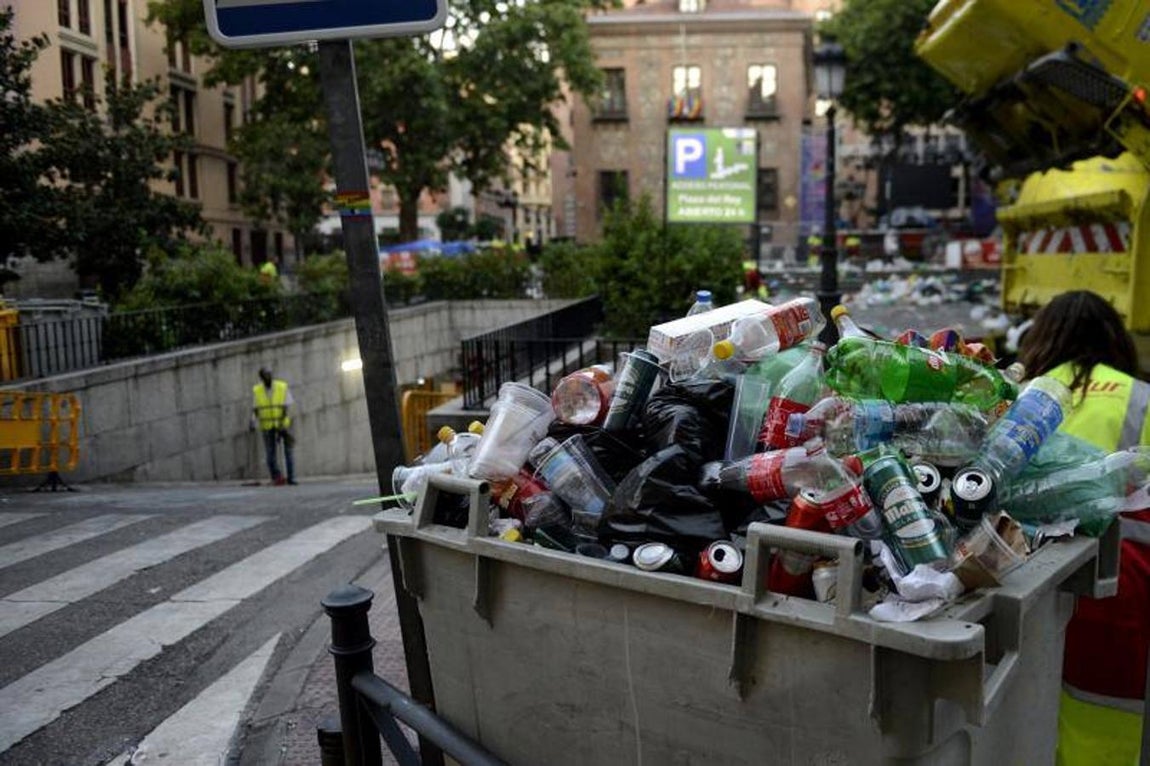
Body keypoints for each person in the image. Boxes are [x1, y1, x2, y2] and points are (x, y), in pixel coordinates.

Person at [1017, 290, 1149, 765]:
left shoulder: (1027, 392)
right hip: (1120, 576)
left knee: (1029, 705)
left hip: (1028, 574)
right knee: (1105, 708)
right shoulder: (1141, 397)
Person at [251, 367, 296, 486]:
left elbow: (287, 406)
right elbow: (255, 408)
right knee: (270, 454)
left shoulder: (281, 387)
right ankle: (277, 476)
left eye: (269, 374)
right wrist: (253, 421)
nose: (268, 377)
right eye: (265, 376)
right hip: (267, 425)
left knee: (288, 452)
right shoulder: (258, 390)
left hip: (282, 424)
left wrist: (282, 425)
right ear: (261, 378)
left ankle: (291, 477)